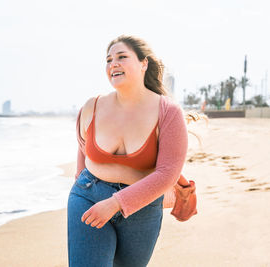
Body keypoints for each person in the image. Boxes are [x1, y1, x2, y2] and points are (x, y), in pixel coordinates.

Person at [67, 35, 188, 267]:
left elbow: (167, 174)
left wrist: (115, 203)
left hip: (142, 207)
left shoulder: (168, 112)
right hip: (88, 197)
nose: (113, 63)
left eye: (122, 57)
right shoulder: (91, 107)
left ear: (144, 63)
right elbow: (83, 156)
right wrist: (80, 192)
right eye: (109, 59)